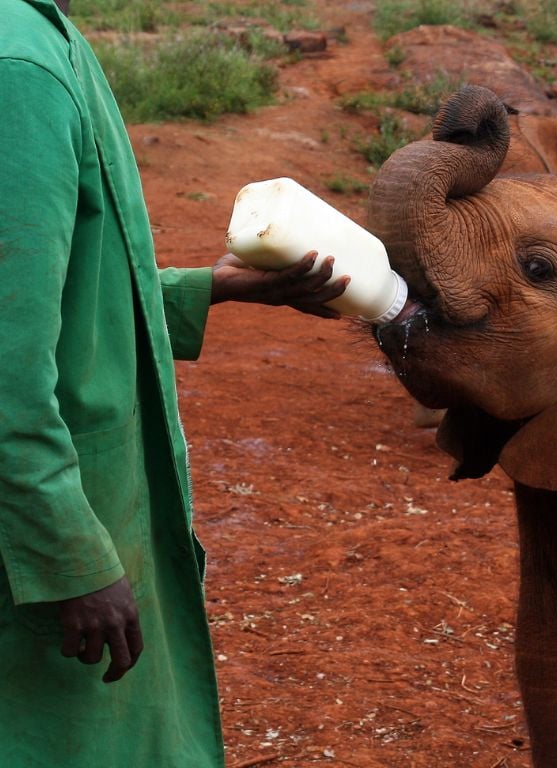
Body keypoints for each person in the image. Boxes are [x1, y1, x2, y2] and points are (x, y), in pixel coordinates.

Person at [0, 1, 348, 765]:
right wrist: (67, 552)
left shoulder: (38, 34)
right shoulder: (17, 67)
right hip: (41, 543)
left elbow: (55, 296)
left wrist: (207, 289)